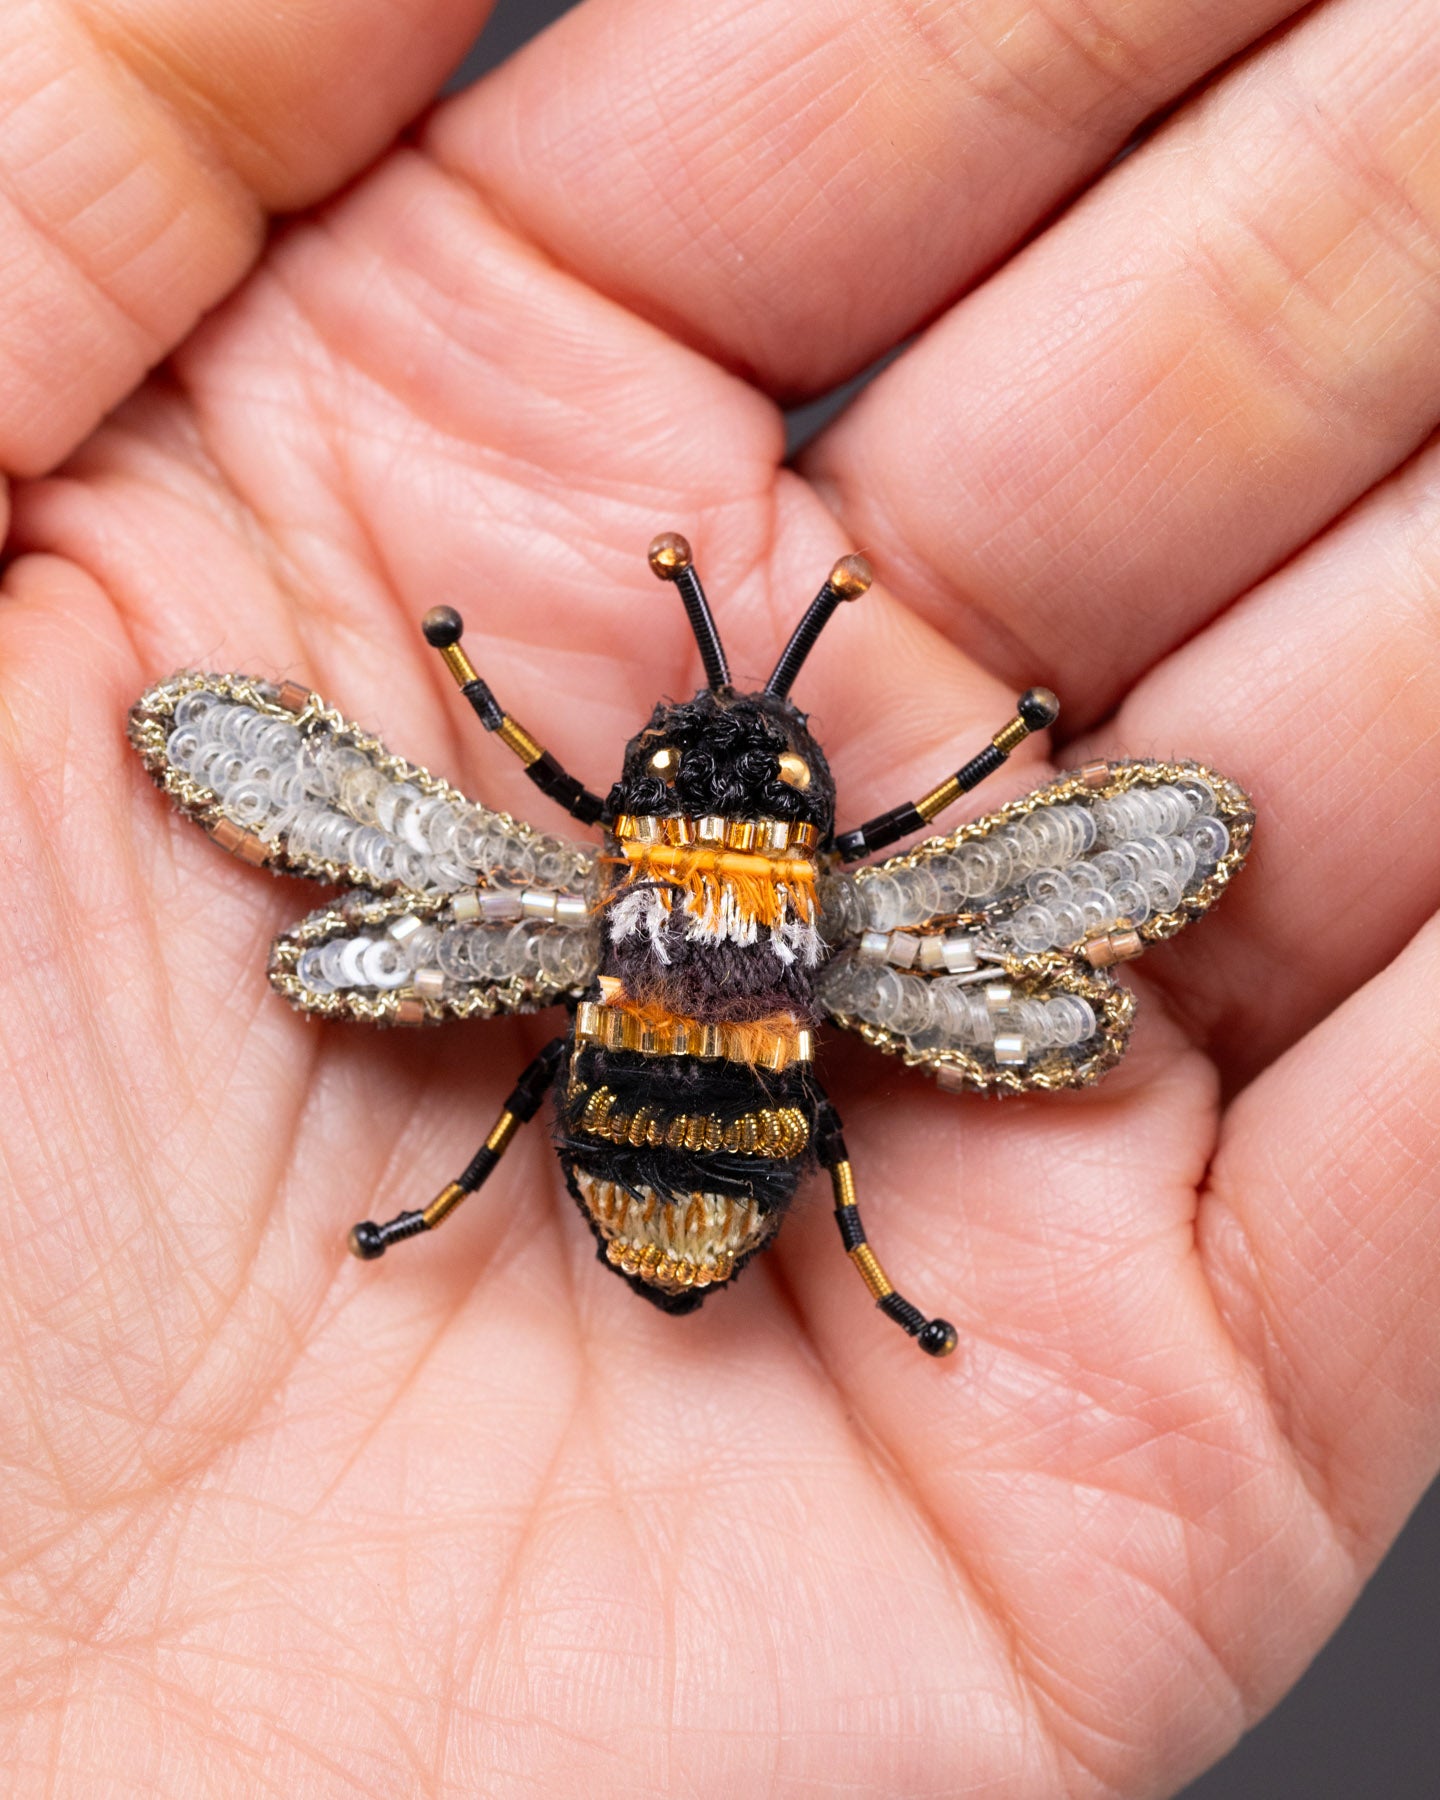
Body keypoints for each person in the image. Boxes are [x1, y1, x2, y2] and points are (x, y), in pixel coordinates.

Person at [1, 0, 1437, 1792]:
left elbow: (529, 766)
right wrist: (996, 761)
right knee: (804, 1128)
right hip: (732, 1143)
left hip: (647, 1128)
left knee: (567, 1092)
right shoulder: (809, 910)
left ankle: (479, 1209)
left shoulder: (601, 869)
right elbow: (963, 826)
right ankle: (800, 1255)